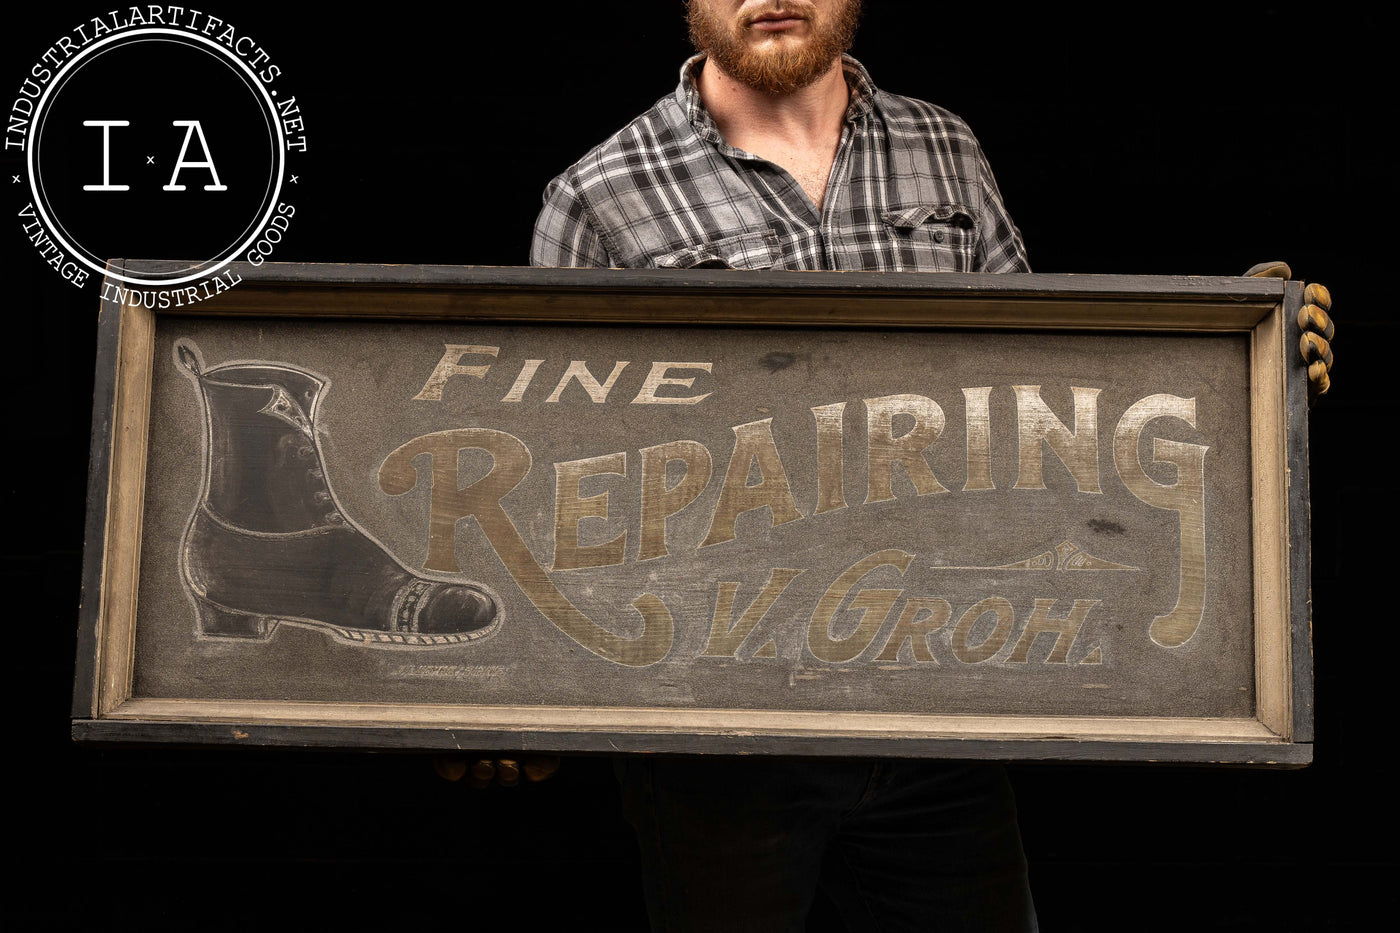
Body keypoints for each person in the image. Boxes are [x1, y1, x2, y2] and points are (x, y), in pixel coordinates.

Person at [528, 2, 1332, 929]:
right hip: (721, 734)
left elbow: (1044, 402)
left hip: (944, 708)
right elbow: (567, 492)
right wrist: (520, 704)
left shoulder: (942, 147)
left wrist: (1230, 359)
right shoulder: (596, 195)